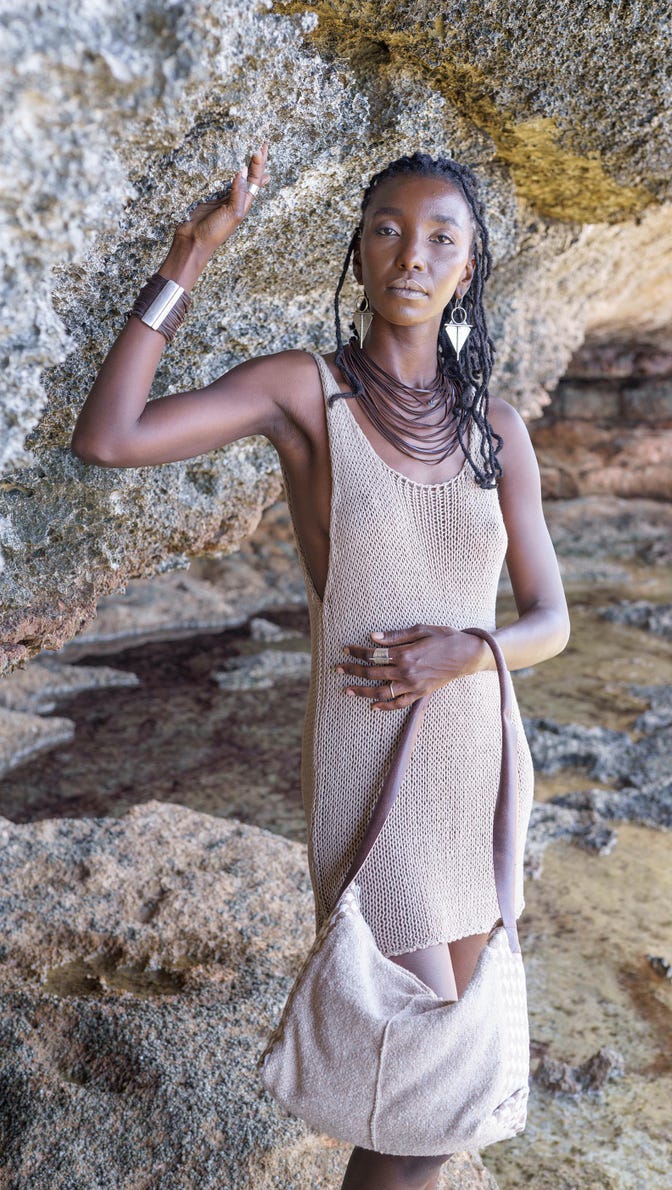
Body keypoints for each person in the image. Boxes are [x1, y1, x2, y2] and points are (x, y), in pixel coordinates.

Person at [70, 141, 570, 1190]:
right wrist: (188, 258)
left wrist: (463, 649)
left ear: (469, 268)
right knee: (418, 1089)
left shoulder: (497, 431)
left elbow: (549, 621)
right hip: (368, 755)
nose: (411, 254)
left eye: (442, 237)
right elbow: (110, 436)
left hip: (473, 760)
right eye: (387, 226)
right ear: (358, 245)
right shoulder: (309, 394)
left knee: (439, 1091)